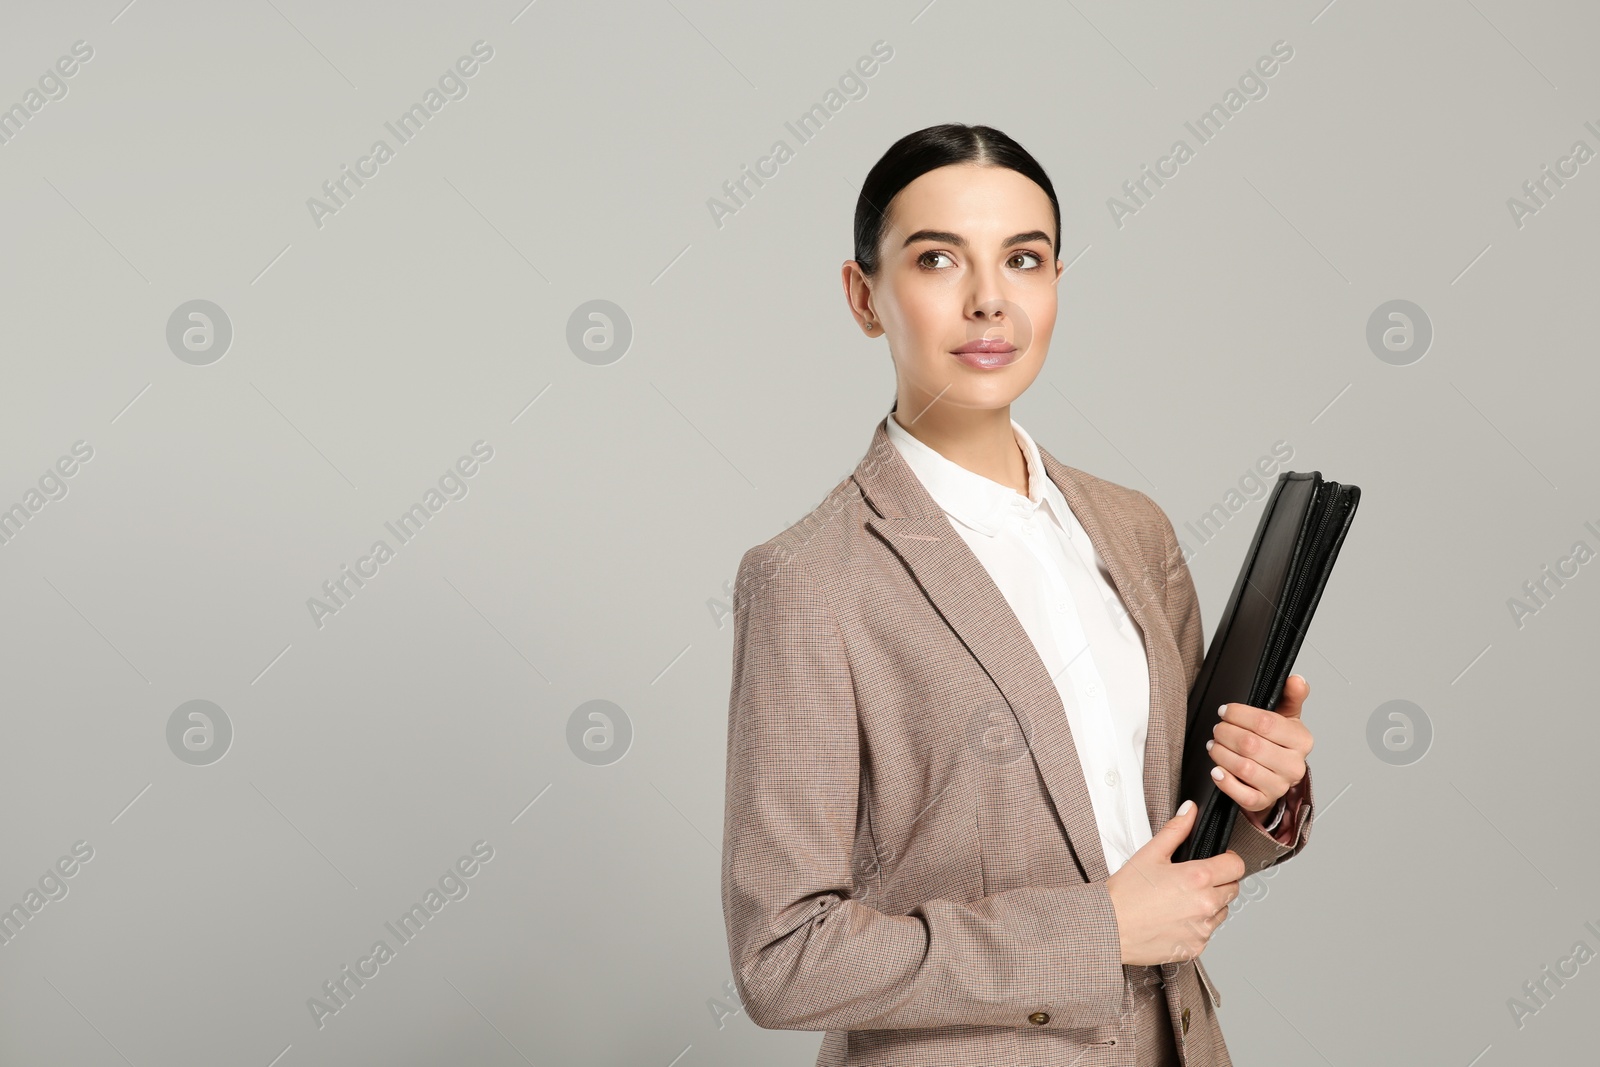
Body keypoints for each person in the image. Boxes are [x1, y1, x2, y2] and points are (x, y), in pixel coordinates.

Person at [721, 123, 1314, 1067]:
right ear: (863, 295)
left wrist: (1267, 789)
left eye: (1023, 259)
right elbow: (782, 958)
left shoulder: (1133, 530)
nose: (989, 299)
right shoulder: (809, 578)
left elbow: (1180, 841)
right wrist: (1093, 932)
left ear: (1056, 286)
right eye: (937, 258)